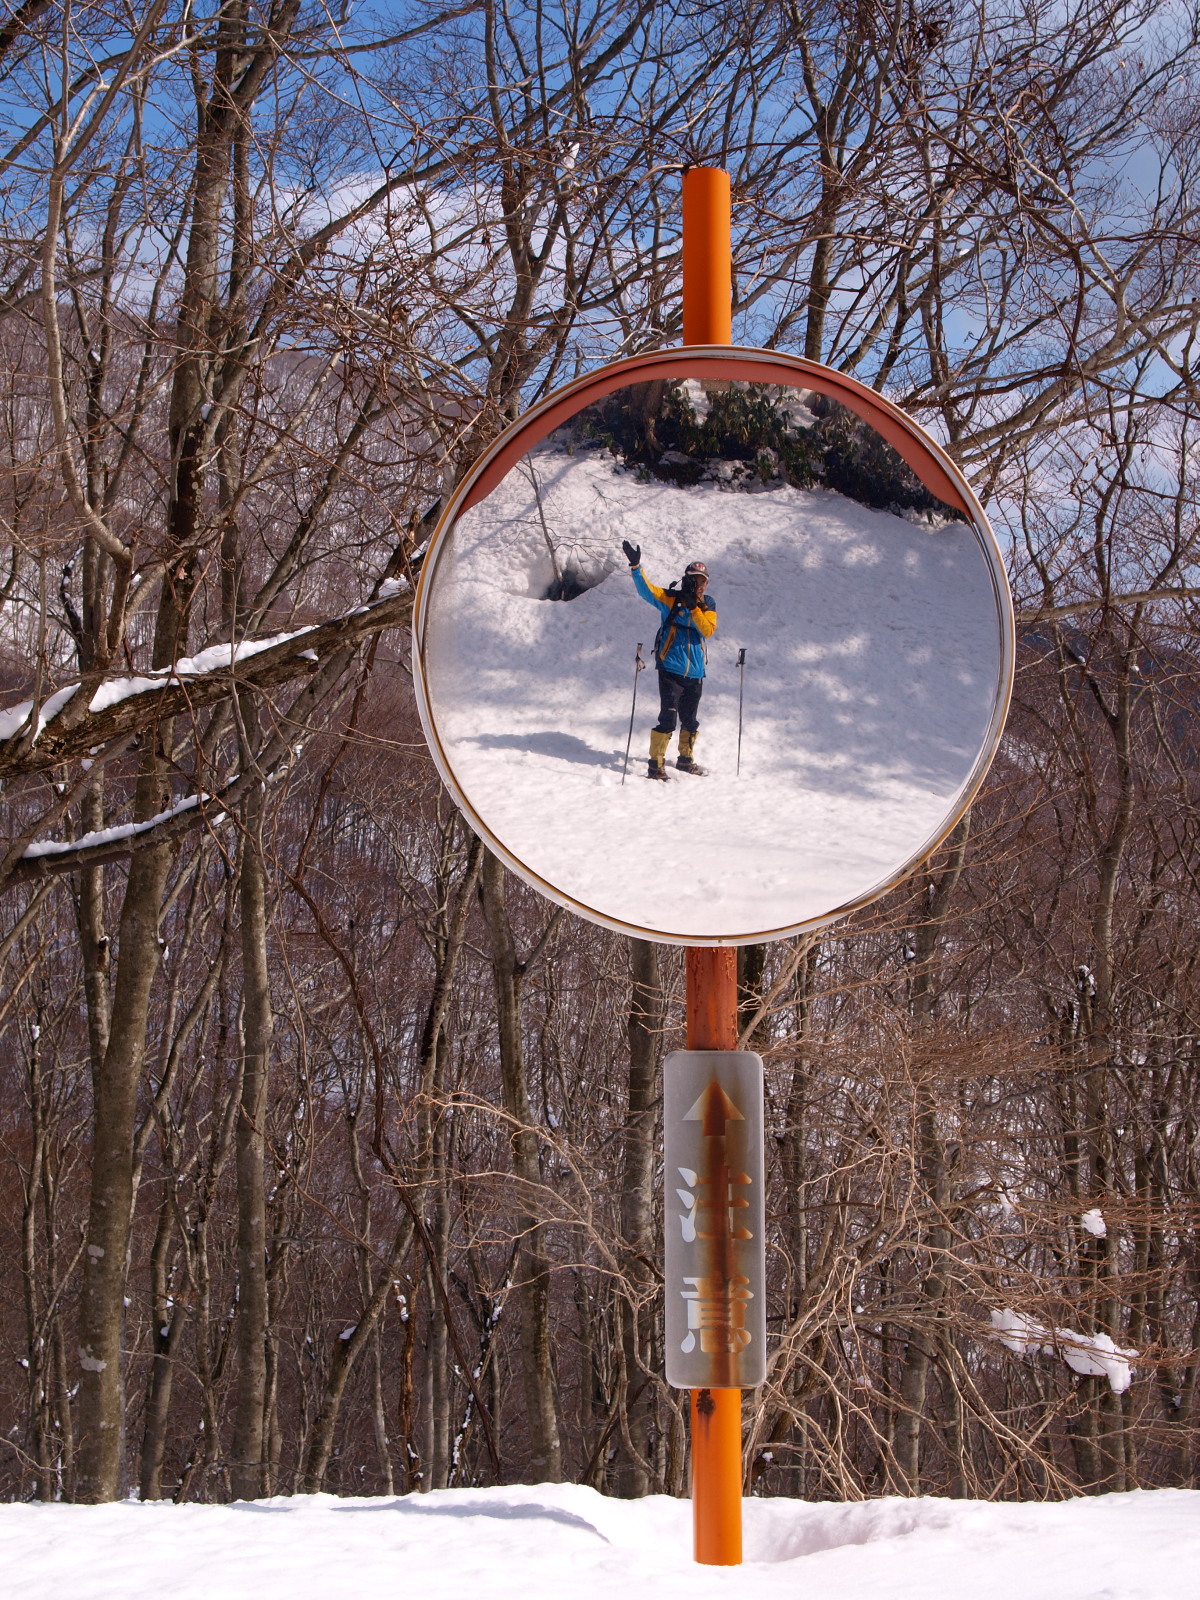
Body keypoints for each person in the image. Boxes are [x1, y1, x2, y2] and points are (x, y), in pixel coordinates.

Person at [622, 540, 717, 780]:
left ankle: (685, 760)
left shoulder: (708, 604)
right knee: (668, 719)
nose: (700, 585)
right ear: (686, 579)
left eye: (703, 581)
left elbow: (707, 630)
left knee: (690, 720)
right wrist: (636, 567)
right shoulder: (671, 599)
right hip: (670, 668)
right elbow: (647, 591)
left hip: (695, 671)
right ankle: (656, 765)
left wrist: (694, 607)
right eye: (695, 580)